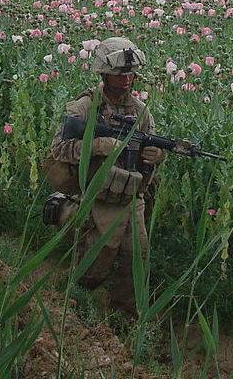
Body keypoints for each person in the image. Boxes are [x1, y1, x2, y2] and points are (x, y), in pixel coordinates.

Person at [43, 37, 166, 317]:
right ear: (103, 73)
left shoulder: (140, 112)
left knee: (137, 255)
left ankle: (125, 318)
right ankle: (73, 303)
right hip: (95, 193)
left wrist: (157, 156)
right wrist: (96, 145)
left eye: (130, 75)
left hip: (130, 195)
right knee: (100, 255)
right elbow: (58, 149)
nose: (126, 81)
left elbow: (153, 151)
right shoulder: (84, 108)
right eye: (119, 75)